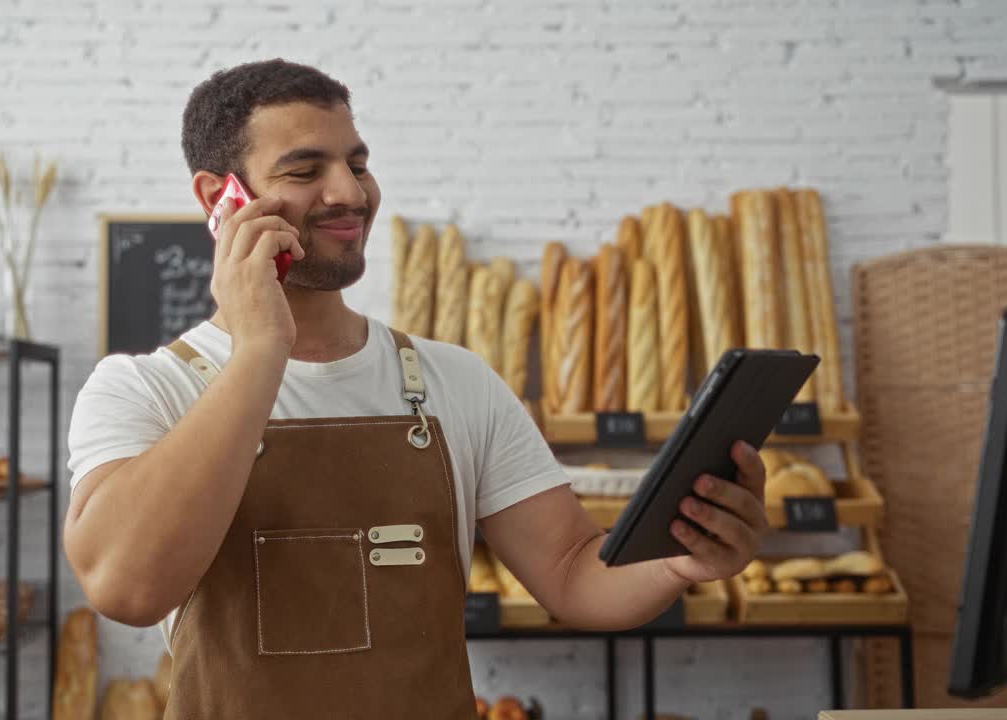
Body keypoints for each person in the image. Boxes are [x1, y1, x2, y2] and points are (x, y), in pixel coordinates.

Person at [64, 59, 768, 718]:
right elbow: (126, 588)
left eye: (358, 163)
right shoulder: (142, 390)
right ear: (223, 199)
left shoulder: (454, 382)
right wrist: (260, 349)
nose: (350, 193)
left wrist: (678, 559)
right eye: (307, 169)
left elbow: (575, 574)